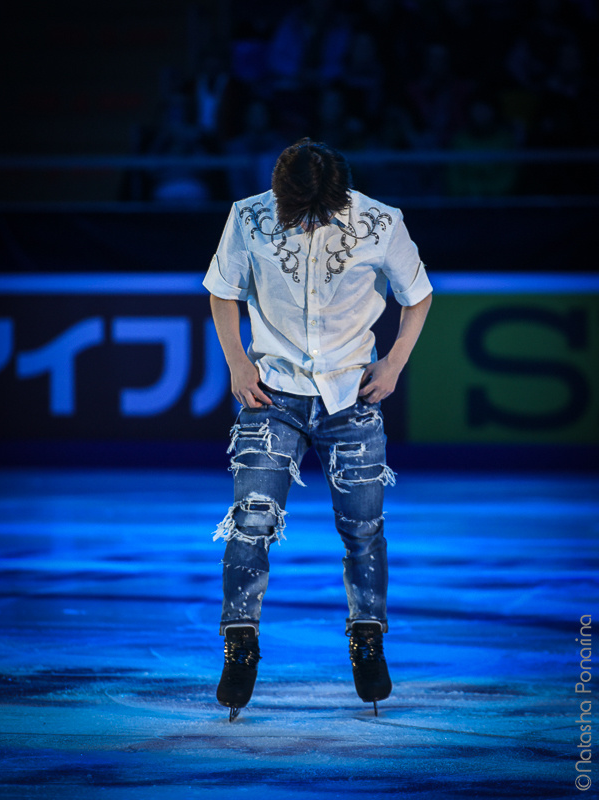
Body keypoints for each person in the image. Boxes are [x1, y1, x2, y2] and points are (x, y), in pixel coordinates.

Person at [203, 138, 432, 721]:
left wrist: (396, 361)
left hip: (351, 394)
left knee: (362, 529)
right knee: (250, 520)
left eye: (316, 212)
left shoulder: (381, 222)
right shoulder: (247, 216)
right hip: (271, 392)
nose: (305, 223)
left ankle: (368, 636)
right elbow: (222, 291)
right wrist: (235, 360)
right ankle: (240, 642)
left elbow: (418, 294)